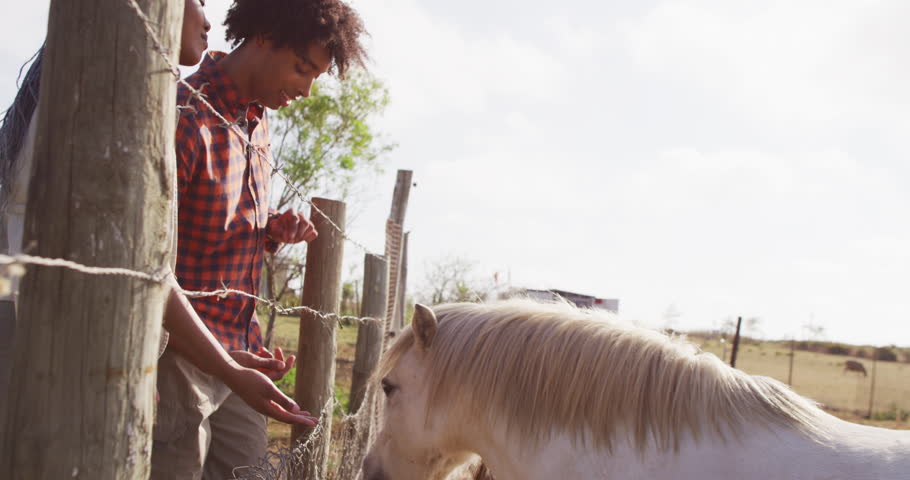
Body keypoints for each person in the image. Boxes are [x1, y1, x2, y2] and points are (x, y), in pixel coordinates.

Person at [0, 0, 315, 427]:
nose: (208, 20)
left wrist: (270, 230)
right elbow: (135, 259)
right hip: (91, 361)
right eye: (196, 1)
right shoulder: (140, 109)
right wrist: (136, 357)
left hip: (198, 348)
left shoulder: (248, 122)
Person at [153, 0, 369, 477]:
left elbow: (206, 228)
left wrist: (269, 229)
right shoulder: (185, 116)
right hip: (180, 358)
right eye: (301, 68)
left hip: (240, 359)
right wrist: (226, 367)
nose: (306, 89)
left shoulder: (258, 121)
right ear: (265, 37)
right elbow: (152, 267)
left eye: (315, 76)